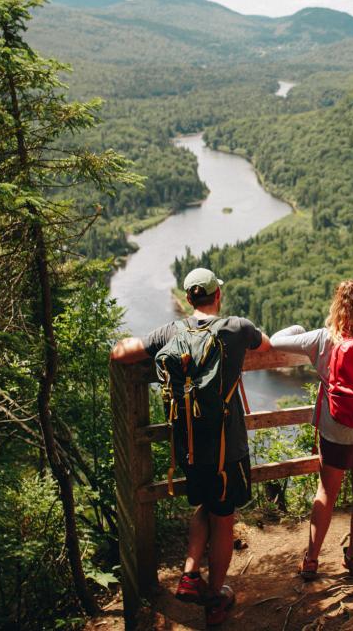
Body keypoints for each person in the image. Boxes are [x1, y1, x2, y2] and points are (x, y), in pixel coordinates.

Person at [110, 267, 271, 627]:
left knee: (205, 503)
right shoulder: (236, 328)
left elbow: (121, 353)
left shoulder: (171, 331)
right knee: (224, 516)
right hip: (226, 449)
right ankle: (216, 598)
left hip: (188, 447)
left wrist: (114, 352)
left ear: (187, 299)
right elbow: (268, 345)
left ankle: (189, 574)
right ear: (218, 296)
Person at [270, 280, 353, 580]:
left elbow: (274, 340)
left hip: (337, 428)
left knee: (326, 491)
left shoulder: (321, 339)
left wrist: (299, 328)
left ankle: (312, 560)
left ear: (335, 306)